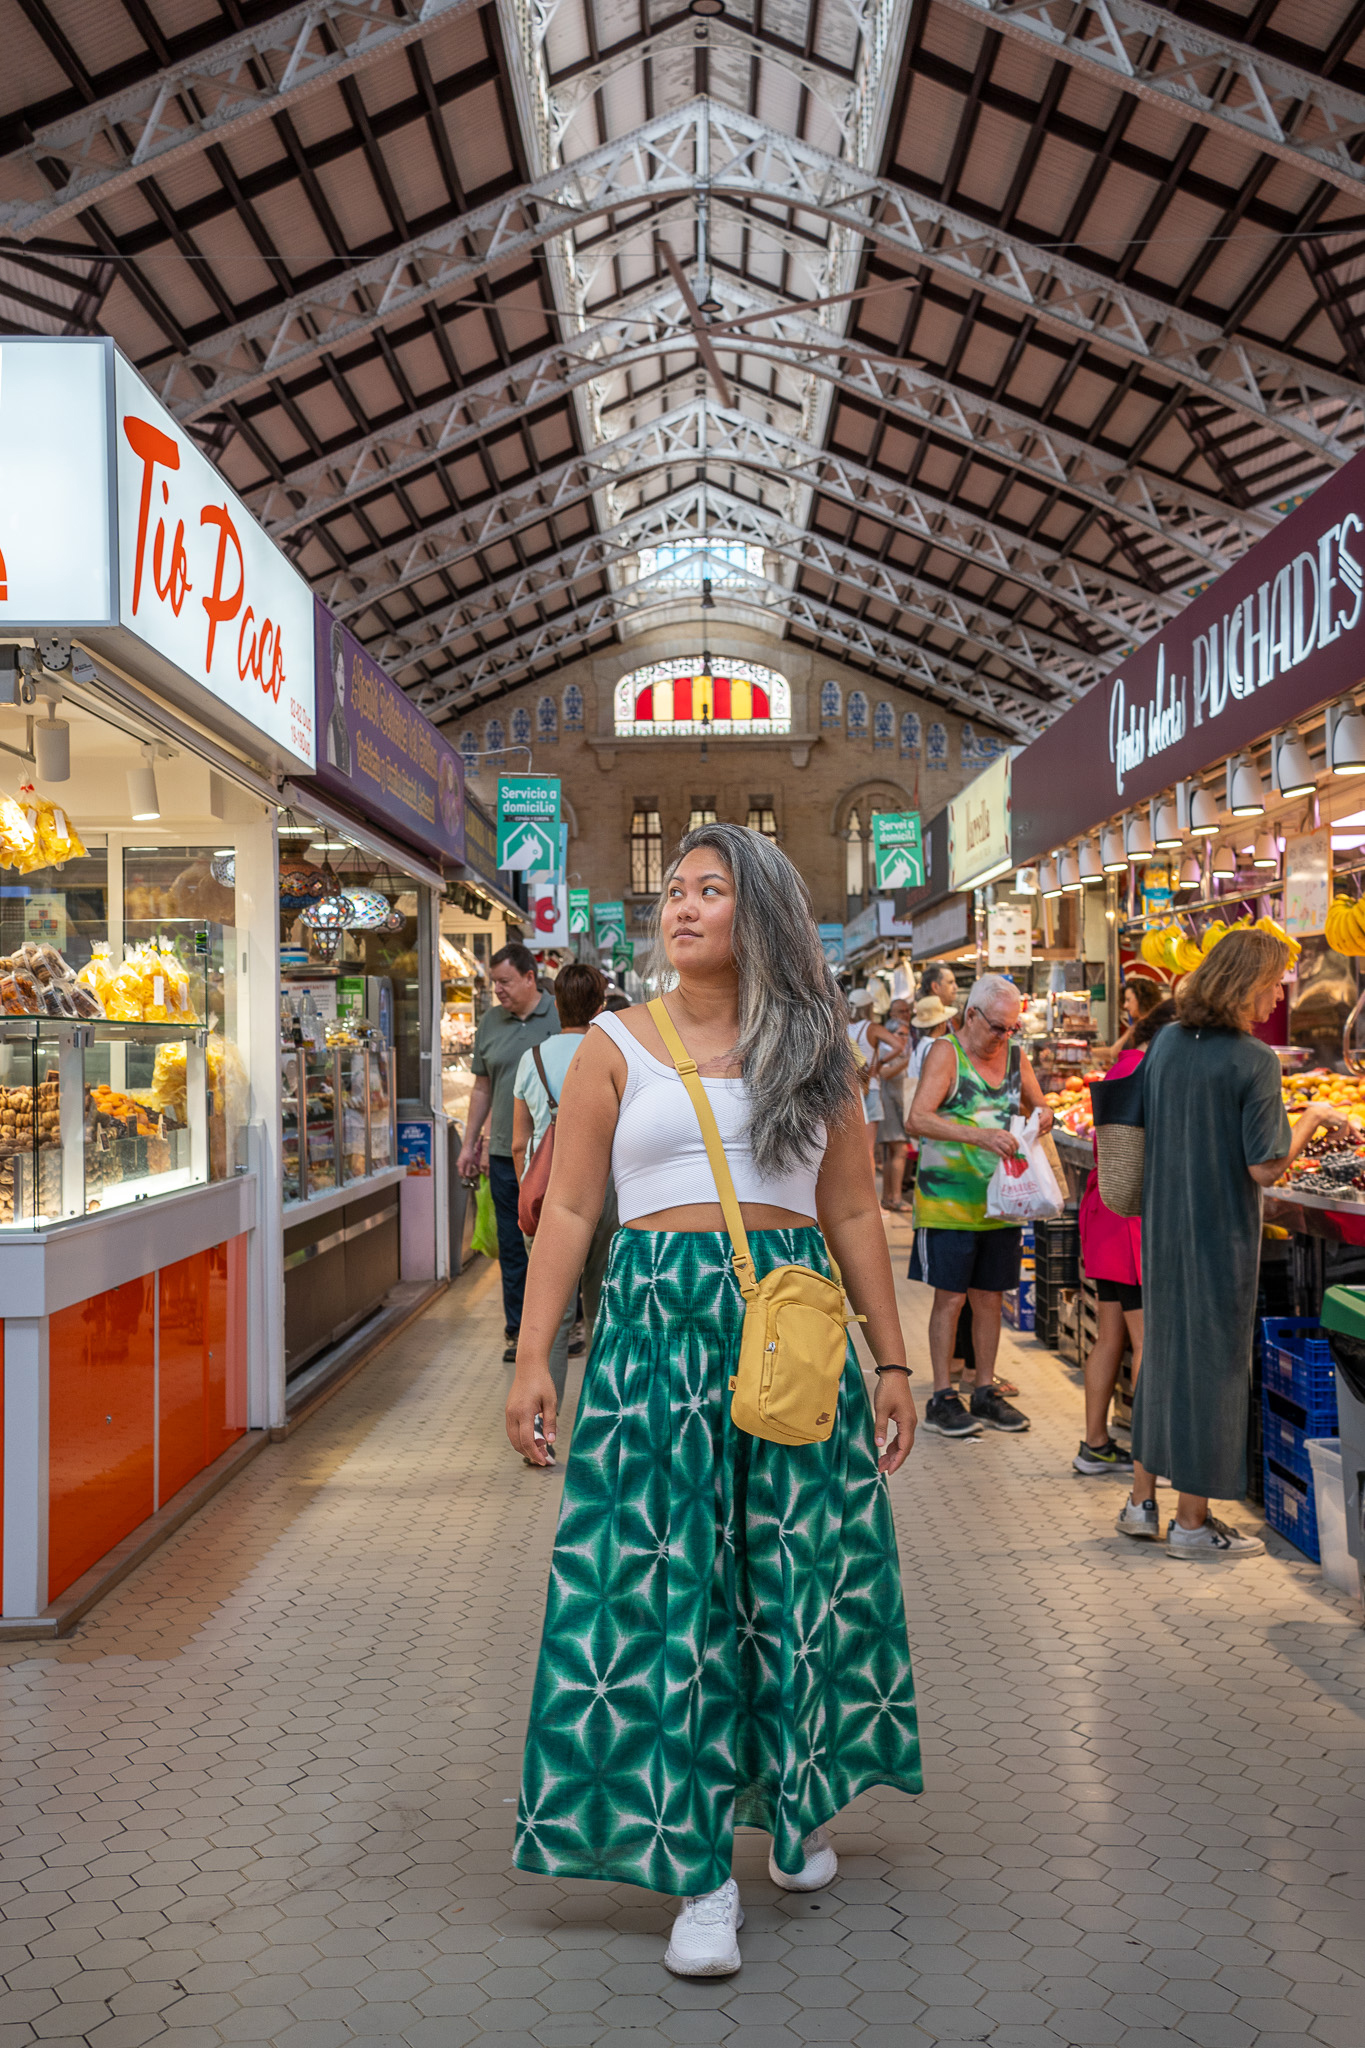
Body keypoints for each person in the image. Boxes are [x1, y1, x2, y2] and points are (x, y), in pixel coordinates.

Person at [507, 823, 921, 1977]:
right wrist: (535, 1353)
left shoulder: (817, 1048)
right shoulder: (610, 1045)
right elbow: (575, 1212)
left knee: (796, 1576)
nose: (680, 908)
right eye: (674, 891)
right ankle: (697, 1871)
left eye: (710, 890)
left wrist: (893, 1359)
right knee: (669, 1595)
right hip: (651, 1345)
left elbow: (848, 1214)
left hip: (788, 1334)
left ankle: (795, 1810)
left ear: (766, 911)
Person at [1120, 931, 1350, 1556]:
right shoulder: (1254, 1060)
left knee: (1164, 1360)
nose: (1279, 994)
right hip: (1219, 1235)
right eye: (1274, 982)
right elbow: (1266, 1167)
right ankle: (1191, 1525)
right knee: (1213, 1372)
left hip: (1165, 1229)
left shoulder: (1167, 1041)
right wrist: (1310, 1119)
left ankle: (1143, 1504)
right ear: (1246, 982)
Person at [907, 973, 1053, 1438]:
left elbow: (1038, 1104)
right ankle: (942, 1396)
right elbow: (917, 1118)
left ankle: (985, 1390)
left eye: (1013, 1029)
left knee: (991, 1297)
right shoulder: (945, 1053)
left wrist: (1044, 1115)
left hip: (1000, 1202)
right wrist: (978, 1135)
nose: (1005, 1037)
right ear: (971, 1015)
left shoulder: (1014, 1056)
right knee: (950, 1298)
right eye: (997, 1027)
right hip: (948, 1202)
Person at [510, 960, 619, 1435]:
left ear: (556, 1003)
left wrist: (529, 1188)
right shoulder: (613, 1052)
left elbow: (519, 1142)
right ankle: (604, 1424)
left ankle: (541, 1429)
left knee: (550, 1317)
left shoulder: (532, 1058)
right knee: (603, 1312)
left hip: (547, 1194)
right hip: (608, 1195)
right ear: (601, 1006)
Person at [1074, 997, 1174, 1477]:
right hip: (1131, 1220)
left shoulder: (1126, 1065)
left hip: (1107, 1215)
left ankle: (1095, 1443)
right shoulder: (1150, 1071)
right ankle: (1146, 1462)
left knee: (1111, 1334)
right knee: (1147, 1339)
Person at [456, 943, 558, 1362]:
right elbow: (482, 1086)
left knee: (556, 1241)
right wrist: (469, 1142)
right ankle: (517, 1331)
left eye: (504, 981)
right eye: (493, 982)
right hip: (502, 1153)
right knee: (514, 1245)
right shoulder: (490, 1023)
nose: (497, 990)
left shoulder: (559, 1015)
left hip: (554, 1152)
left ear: (530, 977)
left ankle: (565, 1322)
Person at [847, 985, 899, 1164]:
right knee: (868, 1149)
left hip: (849, 1092)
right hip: (870, 1088)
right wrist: (880, 1063)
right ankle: (868, 1192)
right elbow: (898, 1045)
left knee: (850, 1149)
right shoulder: (873, 1028)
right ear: (868, 1007)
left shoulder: (842, 1028)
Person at [876, 998, 913, 1211]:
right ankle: (895, 1198)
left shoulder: (900, 1052)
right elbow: (885, 1073)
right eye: (900, 1034)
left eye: (906, 1034)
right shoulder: (886, 1051)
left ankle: (889, 1197)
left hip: (898, 1103)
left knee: (894, 1152)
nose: (904, 1038)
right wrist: (906, 1059)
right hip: (889, 1103)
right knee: (899, 1150)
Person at [1114, 975, 1165, 1051]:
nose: (1125, 1006)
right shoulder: (1137, 1026)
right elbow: (1113, 1051)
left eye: (1128, 1000)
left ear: (1141, 999)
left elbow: (1114, 1052)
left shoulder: (1150, 1027)